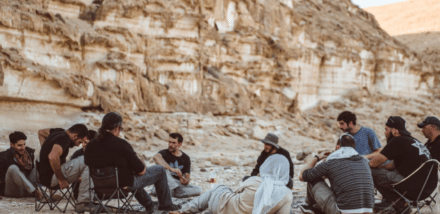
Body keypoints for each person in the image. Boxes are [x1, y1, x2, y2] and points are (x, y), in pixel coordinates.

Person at [84, 112, 180, 214]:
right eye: (121, 128)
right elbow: (142, 171)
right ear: (117, 128)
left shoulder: (90, 145)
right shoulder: (122, 144)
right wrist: (140, 163)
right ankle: (166, 205)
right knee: (159, 170)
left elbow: (88, 163)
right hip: (122, 187)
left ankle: (149, 205)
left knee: (130, 176)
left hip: (99, 187)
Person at [169, 154, 293, 214]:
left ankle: (182, 211)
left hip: (224, 209)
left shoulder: (255, 180)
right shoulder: (287, 195)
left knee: (220, 188)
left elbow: (236, 192)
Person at [299, 133, 374, 214]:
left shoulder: (331, 163)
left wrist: (317, 158)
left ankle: (312, 207)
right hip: (368, 211)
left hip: (342, 212)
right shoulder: (364, 161)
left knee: (312, 178)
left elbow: (302, 176)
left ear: (338, 146)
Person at [369, 116, 430, 214]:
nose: (384, 133)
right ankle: (390, 202)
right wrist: (382, 167)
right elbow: (392, 165)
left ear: (394, 131)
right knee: (385, 167)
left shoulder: (397, 140)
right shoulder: (414, 141)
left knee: (369, 170)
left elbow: (373, 163)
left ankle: (400, 203)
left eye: (386, 130)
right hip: (427, 188)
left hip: (413, 188)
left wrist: (367, 163)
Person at [38, 123, 94, 212]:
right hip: (52, 179)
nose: (78, 145)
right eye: (79, 142)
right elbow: (52, 157)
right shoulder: (64, 138)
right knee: (86, 160)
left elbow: (41, 132)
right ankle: (84, 202)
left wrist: (44, 149)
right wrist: (60, 179)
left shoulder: (58, 131)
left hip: (43, 178)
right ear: (75, 136)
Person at [153, 133, 201, 198]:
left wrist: (185, 181)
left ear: (180, 144)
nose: (170, 144)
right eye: (169, 142)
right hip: (165, 183)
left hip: (178, 184)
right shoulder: (164, 153)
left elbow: (187, 178)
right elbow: (156, 157)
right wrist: (171, 168)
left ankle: (172, 192)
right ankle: (172, 191)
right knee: (162, 169)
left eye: (173, 143)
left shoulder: (186, 158)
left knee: (198, 189)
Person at [0, 131, 39, 198]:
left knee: (39, 166)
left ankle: (54, 192)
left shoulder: (29, 153)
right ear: (12, 145)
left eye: (24, 144)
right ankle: (35, 192)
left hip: (26, 189)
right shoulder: (3, 156)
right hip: (13, 190)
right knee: (13, 168)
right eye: (19, 145)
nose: (23, 148)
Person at [71, 130, 97, 200]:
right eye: (82, 142)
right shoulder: (77, 154)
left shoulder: (99, 155)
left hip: (98, 189)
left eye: (86, 142)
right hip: (80, 191)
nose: (83, 145)